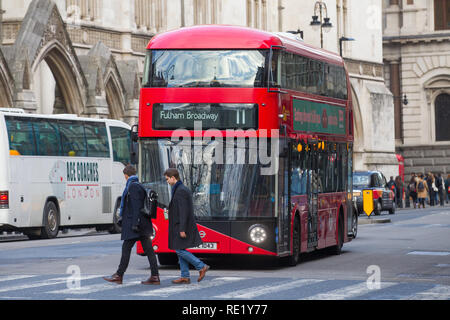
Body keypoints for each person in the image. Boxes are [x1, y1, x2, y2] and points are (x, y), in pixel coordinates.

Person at [103, 164, 160, 285]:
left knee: (126, 248)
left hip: (136, 225)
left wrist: (135, 224)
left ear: (126, 175)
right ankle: (155, 276)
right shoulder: (138, 184)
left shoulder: (133, 186)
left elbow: (136, 207)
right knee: (149, 250)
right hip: (142, 224)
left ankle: (119, 275)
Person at [164, 168, 210, 284]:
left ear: (173, 178)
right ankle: (185, 276)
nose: (167, 182)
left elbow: (184, 211)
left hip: (180, 226)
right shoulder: (178, 189)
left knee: (179, 249)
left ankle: (201, 266)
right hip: (178, 225)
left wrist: (182, 229)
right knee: (181, 248)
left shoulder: (181, 190)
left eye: (167, 179)